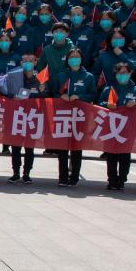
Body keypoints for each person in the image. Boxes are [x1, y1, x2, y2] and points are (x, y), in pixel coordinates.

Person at [98, 62, 136, 190]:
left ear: (130, 73)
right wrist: (106, 104)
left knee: (125, 153)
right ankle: (111, 179)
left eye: (125, 73)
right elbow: (99, 104)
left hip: (129, 126)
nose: (122, 76)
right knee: (111, 153)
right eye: (120, 73)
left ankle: (122, 178)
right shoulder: (109, 89)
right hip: (112, 126)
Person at [55, 48, 96, 186]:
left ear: (81, 59)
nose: (74, 59)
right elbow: (54, 92)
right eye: (71, 57)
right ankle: (62, 176)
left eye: (77, 56)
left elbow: (93, 94)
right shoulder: (61, 75)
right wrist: (61, 96)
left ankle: (74, 177)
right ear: (67, 60)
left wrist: (80, 97)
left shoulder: (88, 76)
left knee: (77, 148)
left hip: (80, 115)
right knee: (62, 147)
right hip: (63, 115)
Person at [8, 53, 45, 183]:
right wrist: (13, 97)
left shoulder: (41, 79)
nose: (27, 63)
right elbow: (8, 93)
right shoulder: (15, 77)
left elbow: (46, 100)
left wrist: (43, 90)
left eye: (30, 61)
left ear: (35, 62)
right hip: (17, 116)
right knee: (16, 146)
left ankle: (27, 173)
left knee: (30, 147)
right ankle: (16, 172)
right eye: (25, 61)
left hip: (32, 118)